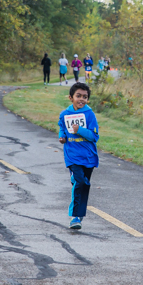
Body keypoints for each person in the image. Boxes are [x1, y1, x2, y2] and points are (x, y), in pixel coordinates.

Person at [58, 82, 99, 229]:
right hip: (72, 155)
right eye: (78, 96)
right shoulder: (65, 114)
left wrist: (79, 130)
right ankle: (75, 217)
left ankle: (79, 213)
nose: (82, 99)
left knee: (84, 184)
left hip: (88, 156)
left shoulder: (89, 114)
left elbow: (94, 136)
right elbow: (62, 128)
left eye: (85, 97)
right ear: (71, 98)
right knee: (80, 182)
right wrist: (62, 136)